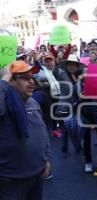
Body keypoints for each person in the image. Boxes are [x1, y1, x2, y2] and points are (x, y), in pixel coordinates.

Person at [0, 61, 51, 200]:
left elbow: (43, 132)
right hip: (10, 180)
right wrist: (4, 81)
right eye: (25, 78)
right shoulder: (4, 102)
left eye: (32, 78)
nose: (31, 82)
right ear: (11, 80)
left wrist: (45, 158)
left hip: (36, 175)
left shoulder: (33, 102)